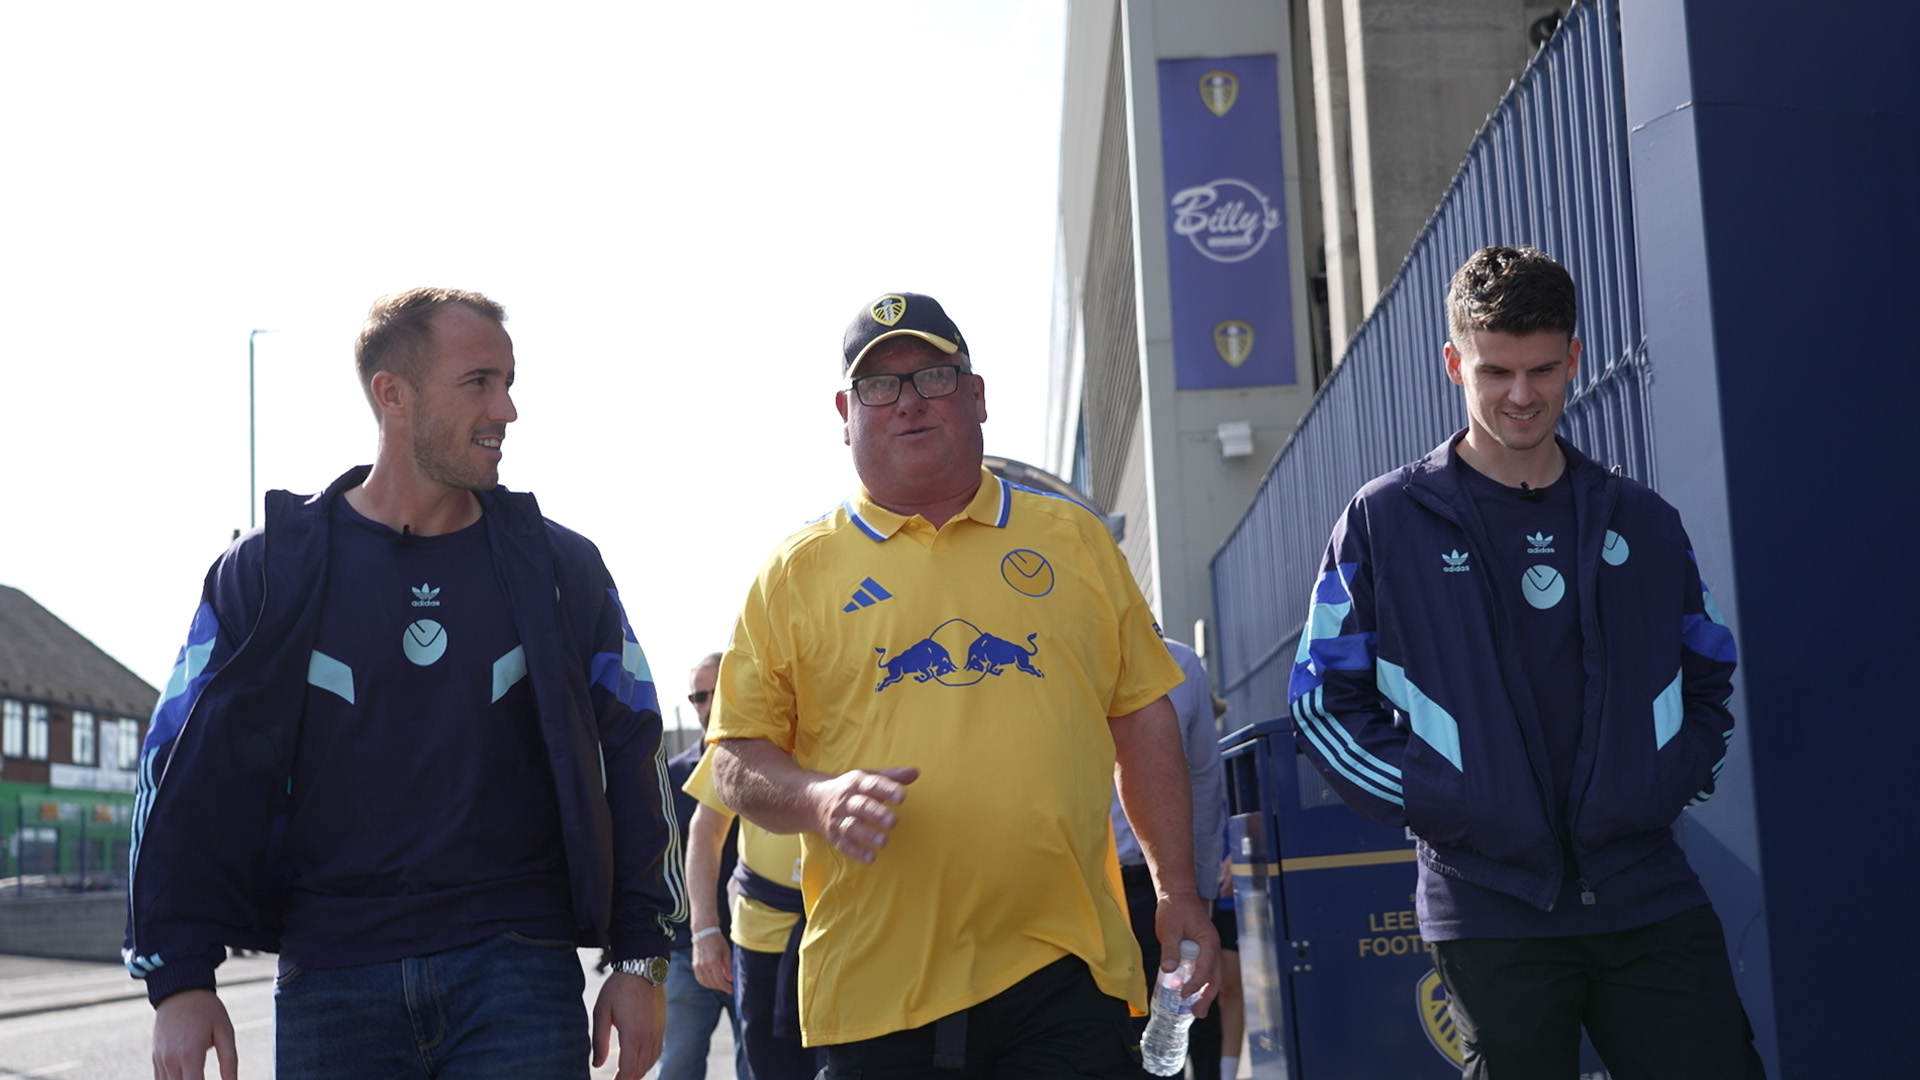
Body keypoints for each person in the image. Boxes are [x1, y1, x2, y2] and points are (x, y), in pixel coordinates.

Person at [126, 288, 683, 1080]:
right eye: (480, 382)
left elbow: (634, 749)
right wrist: (177, 976)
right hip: (332, 978)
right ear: (394, 393)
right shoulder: (266, 573)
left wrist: (641, 957)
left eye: (510, 381)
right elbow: (174, 768)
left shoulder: (562, 569)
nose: (508, 409)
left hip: (518, 971)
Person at [706, 291, 1221, 1079]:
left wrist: (1176, 887)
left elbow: (1142, 719)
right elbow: (736, 757)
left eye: (933, 378)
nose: (908, 404)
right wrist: (817, 799)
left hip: (1065, 970)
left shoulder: (1072, 539)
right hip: (875, 987)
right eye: (880, 387)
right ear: (846, 413)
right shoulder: (795, 573)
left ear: (976, 395)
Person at [1288, 247, 1764, 1078]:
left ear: (1574, 358)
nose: (1521, 395)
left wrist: (1661, 778)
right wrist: (1446, 800)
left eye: (1543, 369)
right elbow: (1325, 698)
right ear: (1453, 363)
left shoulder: (1640, 520)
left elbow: (1709, 672)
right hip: (1489, 904)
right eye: (1495, 371)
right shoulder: (1384, 520)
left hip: (1645, 889)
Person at [1110, 639, 1223, 1074]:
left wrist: (1200, 893)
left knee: (1161, 1050)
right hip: (1074, 886)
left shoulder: (1179, 662)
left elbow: (1204, 783)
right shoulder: (1051, 648)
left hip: (1152, 891)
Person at [684, 740, 819, 1080]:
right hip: (760, 940)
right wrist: (703, 929)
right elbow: (707, 827)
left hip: (852, 934)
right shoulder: (746, 727)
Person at [662, 653, 749, 1080]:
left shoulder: (763, 767)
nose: (709, 704)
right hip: (685, 949)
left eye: (719, 692)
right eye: (699, 696)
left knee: (760, 1067)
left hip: (753, 946)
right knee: (676, 1067)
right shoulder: (671, 777)